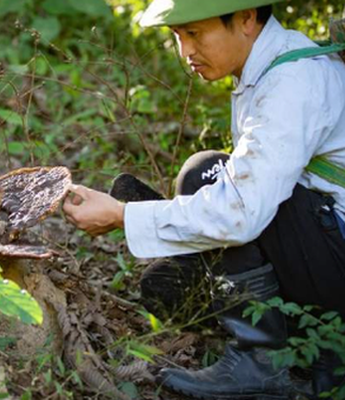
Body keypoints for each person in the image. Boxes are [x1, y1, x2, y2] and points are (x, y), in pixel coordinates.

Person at [63, 0, 345, 398]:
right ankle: (292, 342)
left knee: (207, 175)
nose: (185, 52)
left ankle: (263, 362)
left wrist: (125, 216)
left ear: (247, 18)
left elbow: (242, 212)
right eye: (178, 37)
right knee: (209, 185)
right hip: (328, 243)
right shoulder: (271, 66)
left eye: (195, 33)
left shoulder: (293, 81)